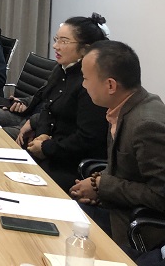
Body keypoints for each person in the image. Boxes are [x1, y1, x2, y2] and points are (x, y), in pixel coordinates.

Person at [69, 40, 165, 261]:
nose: (83, 85)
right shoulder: (122, 108)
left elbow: (161, 195)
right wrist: (97, 186)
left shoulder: (146, 125)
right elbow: (128, 171)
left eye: (86, 79)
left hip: (134, 228)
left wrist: (102, 186)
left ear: (110, 85)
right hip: (116, 208)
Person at [7, 14, 110, 191]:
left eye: (64, 41)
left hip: (70, 164)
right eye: (56, 40)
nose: (56, 46)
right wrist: (42, 134)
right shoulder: (61, 70)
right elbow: (47, 107)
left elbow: (87, 139)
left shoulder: (90, 83)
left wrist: (46, 147)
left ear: (85, 49)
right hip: (50, 150)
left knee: (14, 182)